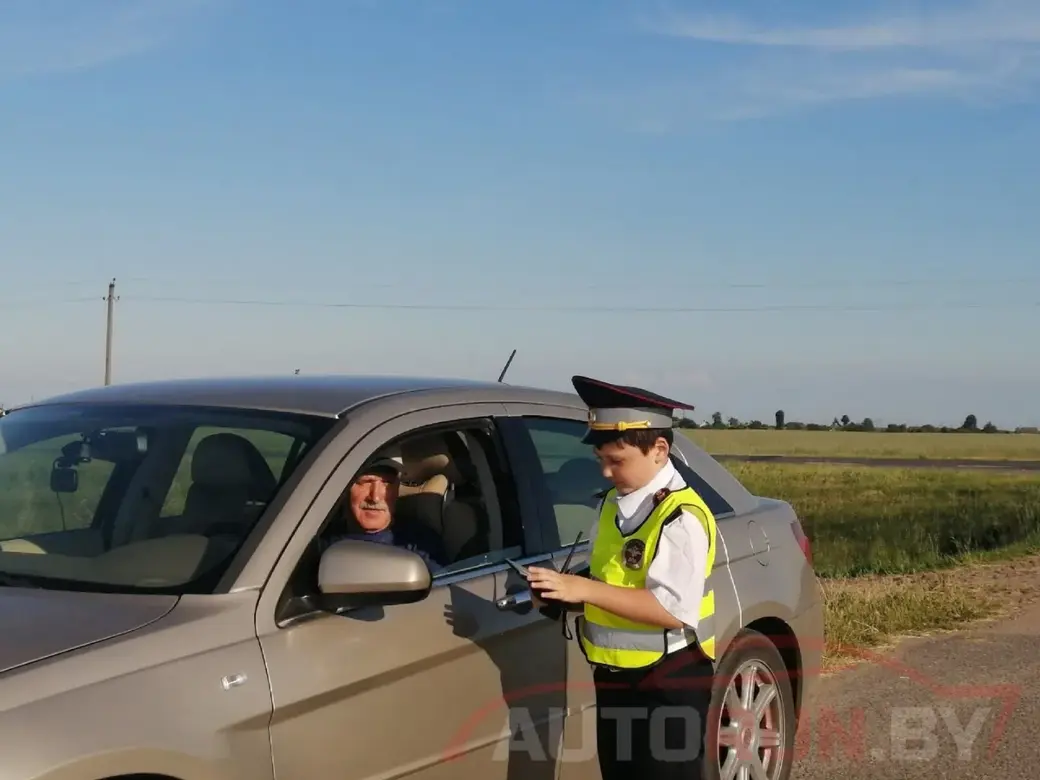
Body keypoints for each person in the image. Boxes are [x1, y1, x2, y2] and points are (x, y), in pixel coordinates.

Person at [525, 375, 720, 780]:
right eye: (601, 460)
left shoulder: (681, 518)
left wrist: (583, 588)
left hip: (668, 681)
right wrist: (563, 594)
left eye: (618, 460)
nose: (607, 472)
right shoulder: (615, 505)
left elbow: (671, 609)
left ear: (659, 450)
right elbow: (612, 581)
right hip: (615, 676)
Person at [321, 453, 448, 572]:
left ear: (397, 488)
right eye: (366, 482)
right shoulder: (319, 538)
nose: (375, 497)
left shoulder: (420, 542)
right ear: (346, 487)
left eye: (387, 483)